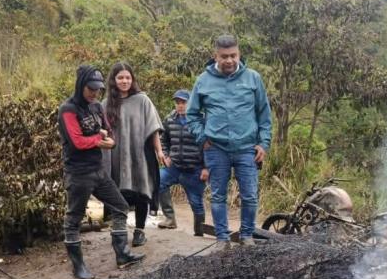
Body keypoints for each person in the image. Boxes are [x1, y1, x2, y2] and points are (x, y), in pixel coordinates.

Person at [57, 65, 144, 279]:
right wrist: (100, 140)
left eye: (98, 89)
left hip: (98, 169)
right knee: (74, 218)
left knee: (120, 206)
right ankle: (78, 267)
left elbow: (109, 132)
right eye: (91, 88)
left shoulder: (96, 106)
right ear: (81, 85)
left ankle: (122, 255)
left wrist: (110, 140)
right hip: (78, 173)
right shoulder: (68, 109)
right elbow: (77, 141)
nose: (95, 93)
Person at [187, 34, 272, 245]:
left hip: (246, 147)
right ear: (216, 55)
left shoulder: (253, 78)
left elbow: (264, 114)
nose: (229, 60)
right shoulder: (203, 80)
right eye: (224, 56)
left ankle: (246, 236)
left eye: (233, 55)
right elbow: (192, 114)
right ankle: (222, 239)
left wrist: (263, 143)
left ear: (239, 54)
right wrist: (202, 138)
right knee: (218, 196)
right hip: (216, 148)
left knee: (250, 196)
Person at [102, 62, 166, 248]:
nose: (124, 81)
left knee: (141, 192)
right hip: (116, 156)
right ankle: (119, 230)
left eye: (128, 77)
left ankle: (140, 231)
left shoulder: (142, 100)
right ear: (114, 80)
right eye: (120, 77)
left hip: (140, 154)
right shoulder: (106, 104)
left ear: (132, 79)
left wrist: (159, 151)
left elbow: (153, 128)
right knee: (117, 192)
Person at [159, 89, 210, 236]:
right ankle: (169, 218)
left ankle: (199, 232)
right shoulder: (170, 119)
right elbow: (164, 139)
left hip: (195, 169)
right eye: (178, 103)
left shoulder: (202, 120)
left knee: (196, 203)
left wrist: (206, 168)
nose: (180, 106)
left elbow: (209, 145)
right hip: (174, 166)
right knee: (157, 182)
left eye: (184, 102)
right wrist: (166, 155)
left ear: (191, 103)